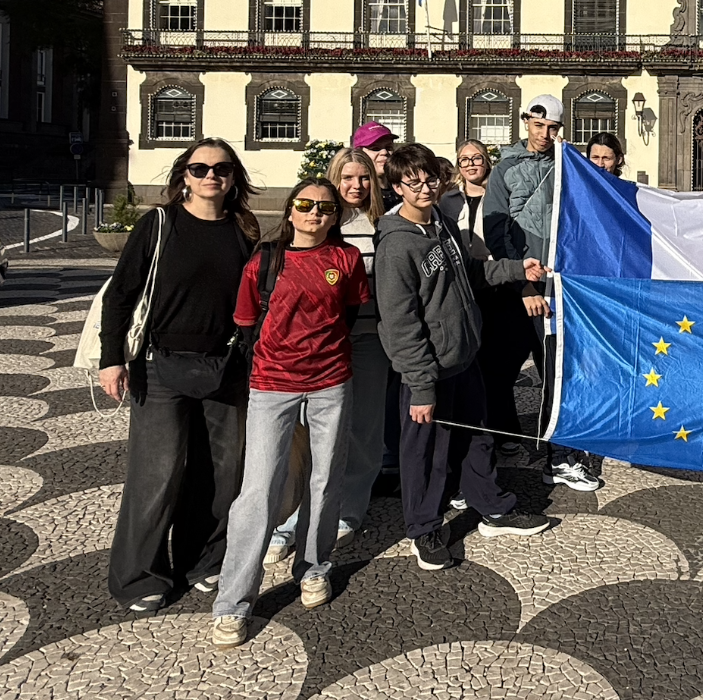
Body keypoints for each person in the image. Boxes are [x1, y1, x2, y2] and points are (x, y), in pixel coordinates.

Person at [99, 138, 260, 612]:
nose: (212, 176)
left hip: (225, 367)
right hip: (160, 365)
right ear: (183, 176)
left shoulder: (242, 228)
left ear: (234, 178)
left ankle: (203, 561)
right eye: (200, 168)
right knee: (157, 474)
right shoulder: (160, 223)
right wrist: (112, 358)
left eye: (222, 169)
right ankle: (137, 576)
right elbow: (121, 293)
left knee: (222, 472)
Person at [210, 178, 369, 649]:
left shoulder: (346, 260)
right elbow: (244, 320)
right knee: (259, 489)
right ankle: (232, 600)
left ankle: (314, 566)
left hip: (330, 382)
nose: (315, 213)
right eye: (305, 204)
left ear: (335, 216)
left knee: (325, 478)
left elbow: (351, 312)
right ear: (290, 210)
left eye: (325, 207)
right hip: (272, 385)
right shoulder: (264, 261)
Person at [378, 143, 552, 570]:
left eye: (430, 178)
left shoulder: (440, 223)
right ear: (398, 186)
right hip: (430, 371)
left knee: (479, 438)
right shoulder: (397, 247)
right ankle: (424, 528)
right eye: (413, 182)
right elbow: (400, 324)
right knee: (426, 453)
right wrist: (421, 386)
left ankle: (492, 506)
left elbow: (471, 273)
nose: (424, 188)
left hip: (464, 357)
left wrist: (515, 269)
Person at [264, 149, 391, 565]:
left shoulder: (383, 222)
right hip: (313, 346)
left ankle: (347, 509)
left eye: (365, 177)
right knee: (306, 438)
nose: (357, 185)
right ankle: (289, 520)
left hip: (370, 339)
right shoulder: (319, 219)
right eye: (348, 177)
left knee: (363, 431)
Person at [484, 94, 603, 492]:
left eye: (552, 128)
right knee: (501, 372)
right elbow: (496, 232)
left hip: (560, 288)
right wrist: (523, 284)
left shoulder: (570, 165)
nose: (545, 135)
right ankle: (505, 442)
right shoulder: (505, 169)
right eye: (538, 126)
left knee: (558, 373)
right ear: (525, 123)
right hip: (521, 288)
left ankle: (561, 456)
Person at [447, 139, 536, 465]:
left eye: (477, 158)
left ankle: (506, 436)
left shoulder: (505, 197)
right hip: (470, 293)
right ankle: (487, 438)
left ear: (488, 161)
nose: (471, 164)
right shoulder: (448, 203)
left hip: (506, 289)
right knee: (478, 369)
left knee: (502, 369)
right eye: (464, 160)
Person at [352, 121, 398, 205]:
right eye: (375, 148)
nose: (384, 152)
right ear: (358, 154)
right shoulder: (356, 194)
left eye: (388, 147)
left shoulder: (402, 189)